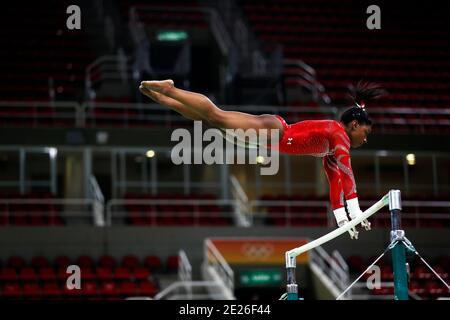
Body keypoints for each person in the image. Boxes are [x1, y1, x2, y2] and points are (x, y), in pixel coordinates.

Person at [139, 79, 386, 239]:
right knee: (217, 115)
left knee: (209, 120)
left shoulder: (333, 148)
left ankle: (164, 99)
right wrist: (357, 212)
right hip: (275, 131)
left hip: (266, 141)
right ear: (355, 124)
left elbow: (336, 181)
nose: (365, 139)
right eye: (366, 132)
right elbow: (347, 171)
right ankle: (170, 89)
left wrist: (342, 219)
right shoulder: (338, 133)